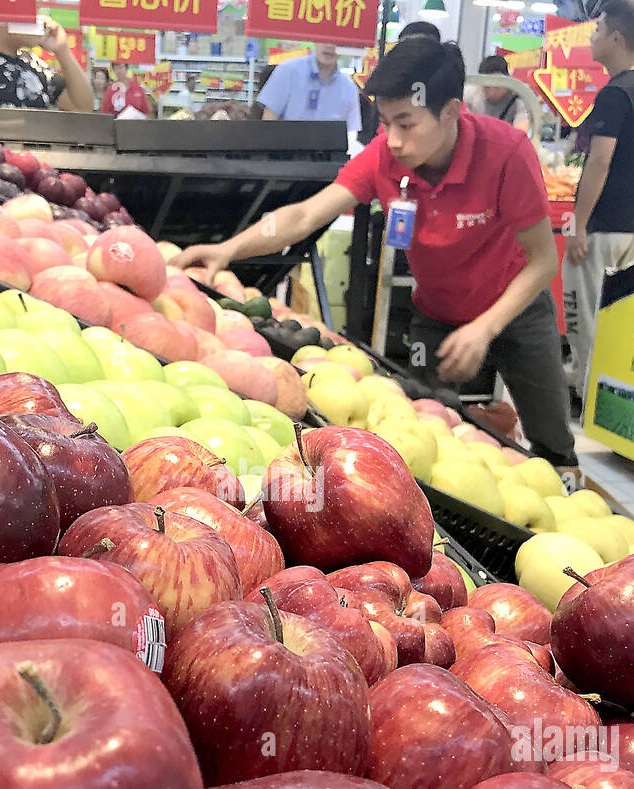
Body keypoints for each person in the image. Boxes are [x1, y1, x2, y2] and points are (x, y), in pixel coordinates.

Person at [176, 37, 578, 468]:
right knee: (426, 432)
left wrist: (483, 329)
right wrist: (228, 250)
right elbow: (304, 216)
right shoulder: (383, 158)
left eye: (406, 123)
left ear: (450, 111)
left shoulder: (506, 154)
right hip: (437, 314)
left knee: (552, 437)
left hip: (515, 307)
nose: (394, 139)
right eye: (386, 123)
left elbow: (543, 262)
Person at [563, 0, 634, 407]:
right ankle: (599, 390)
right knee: (613, 316)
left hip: (602, 225)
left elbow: (599, 161)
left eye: (596, 31)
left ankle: (585, 395)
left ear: (615, 38)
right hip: (631, 223)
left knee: (584, 315)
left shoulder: (615, 93)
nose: (591, 38)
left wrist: (578, 223)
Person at [257, 43, 361, 133]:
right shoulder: (287, 70)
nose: (329, 45)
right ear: (315, 40)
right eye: (324, 38)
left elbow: (351, 132)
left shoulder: (349, 88)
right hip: (286, 151)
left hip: (328, 153)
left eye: (336, 42)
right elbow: (268, 122)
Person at [465, 54, 530, 135]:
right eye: (487, 87)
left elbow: (521, 134)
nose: (492, 92)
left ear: (507, 81)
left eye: (496, 87)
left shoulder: (520, 99)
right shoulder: (468, 94)